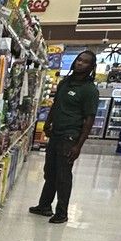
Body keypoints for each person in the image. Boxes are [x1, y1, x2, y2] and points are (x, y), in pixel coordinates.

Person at [29, 50, 100, 224]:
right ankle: (44, 205)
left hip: (70, 137)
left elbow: (89, 119)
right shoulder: (65, 83)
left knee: (63, 175)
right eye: (78, 60)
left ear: (91, 67)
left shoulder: (90, 90)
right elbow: (55, 104)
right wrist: (47, 122)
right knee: (49, 171)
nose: (79, 63)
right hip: (56, 134)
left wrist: (78, 146)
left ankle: (62, 212)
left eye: (85, 62)